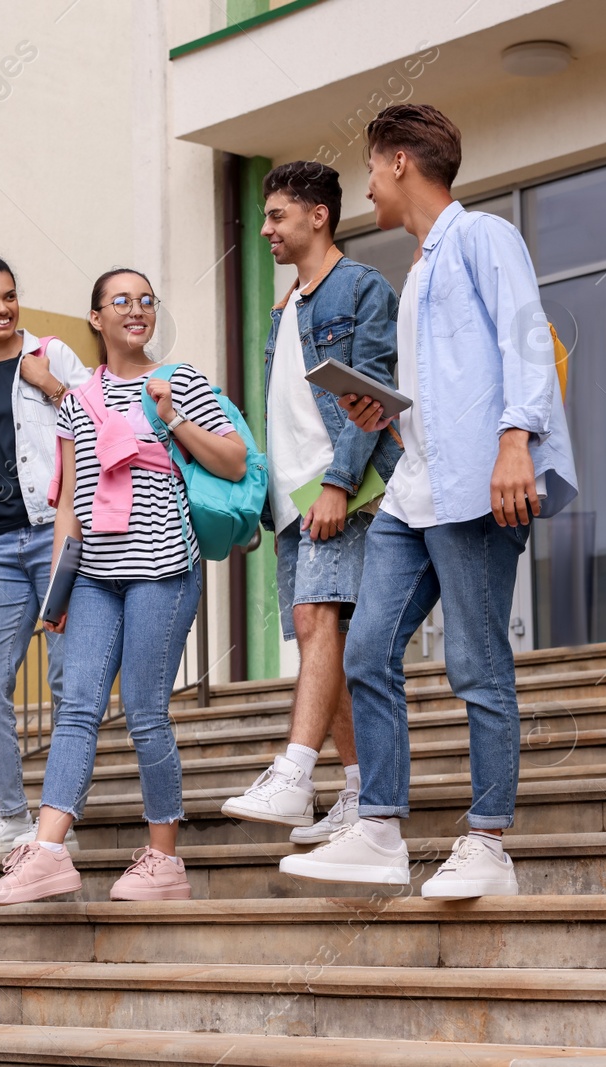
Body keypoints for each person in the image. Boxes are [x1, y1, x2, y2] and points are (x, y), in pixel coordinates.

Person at [280, 103, 578, 898]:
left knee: (476, 664)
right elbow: (442, 394)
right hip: (417, 492)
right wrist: (385, 411)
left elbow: (523, 338)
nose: (368, 186)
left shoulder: (481, 236)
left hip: (479, 487)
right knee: (367, 648)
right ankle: (378, 827)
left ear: (402, 162)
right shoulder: (416, 274)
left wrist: (517, 439)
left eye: (372, 169)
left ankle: (489, 842)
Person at [0, 268, 247, 906]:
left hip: (164, 569)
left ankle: (164, 863)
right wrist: (59, 593)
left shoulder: (181, 380)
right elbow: (73, 502)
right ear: (97, 319)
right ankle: (48, 852)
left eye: (145, 300)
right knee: (75, 707)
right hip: (96, 577)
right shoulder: (76, 401)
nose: (136, 310)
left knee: (145, 713)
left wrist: (172, 420)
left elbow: (234, 459)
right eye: (120, 301)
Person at [221, 162, 400, 844]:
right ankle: (355, 791)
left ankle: (296, 771)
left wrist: (338, 482)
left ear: (317, 215)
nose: (264, 228)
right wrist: (267, 506)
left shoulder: (359, 287)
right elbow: (287, 412)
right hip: (297, 497)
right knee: (329, 642)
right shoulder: (288, 304)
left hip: (344, 487)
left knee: (318, 618)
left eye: (276, 216)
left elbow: (372, 394)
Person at [0, 250, 91, 858]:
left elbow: (101, 424)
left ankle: (59, 821)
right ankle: (12, 815)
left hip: (56, 535)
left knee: (65, 677)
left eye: (8, 295)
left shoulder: (52, 355)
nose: (2, 308)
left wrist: (51, 387)